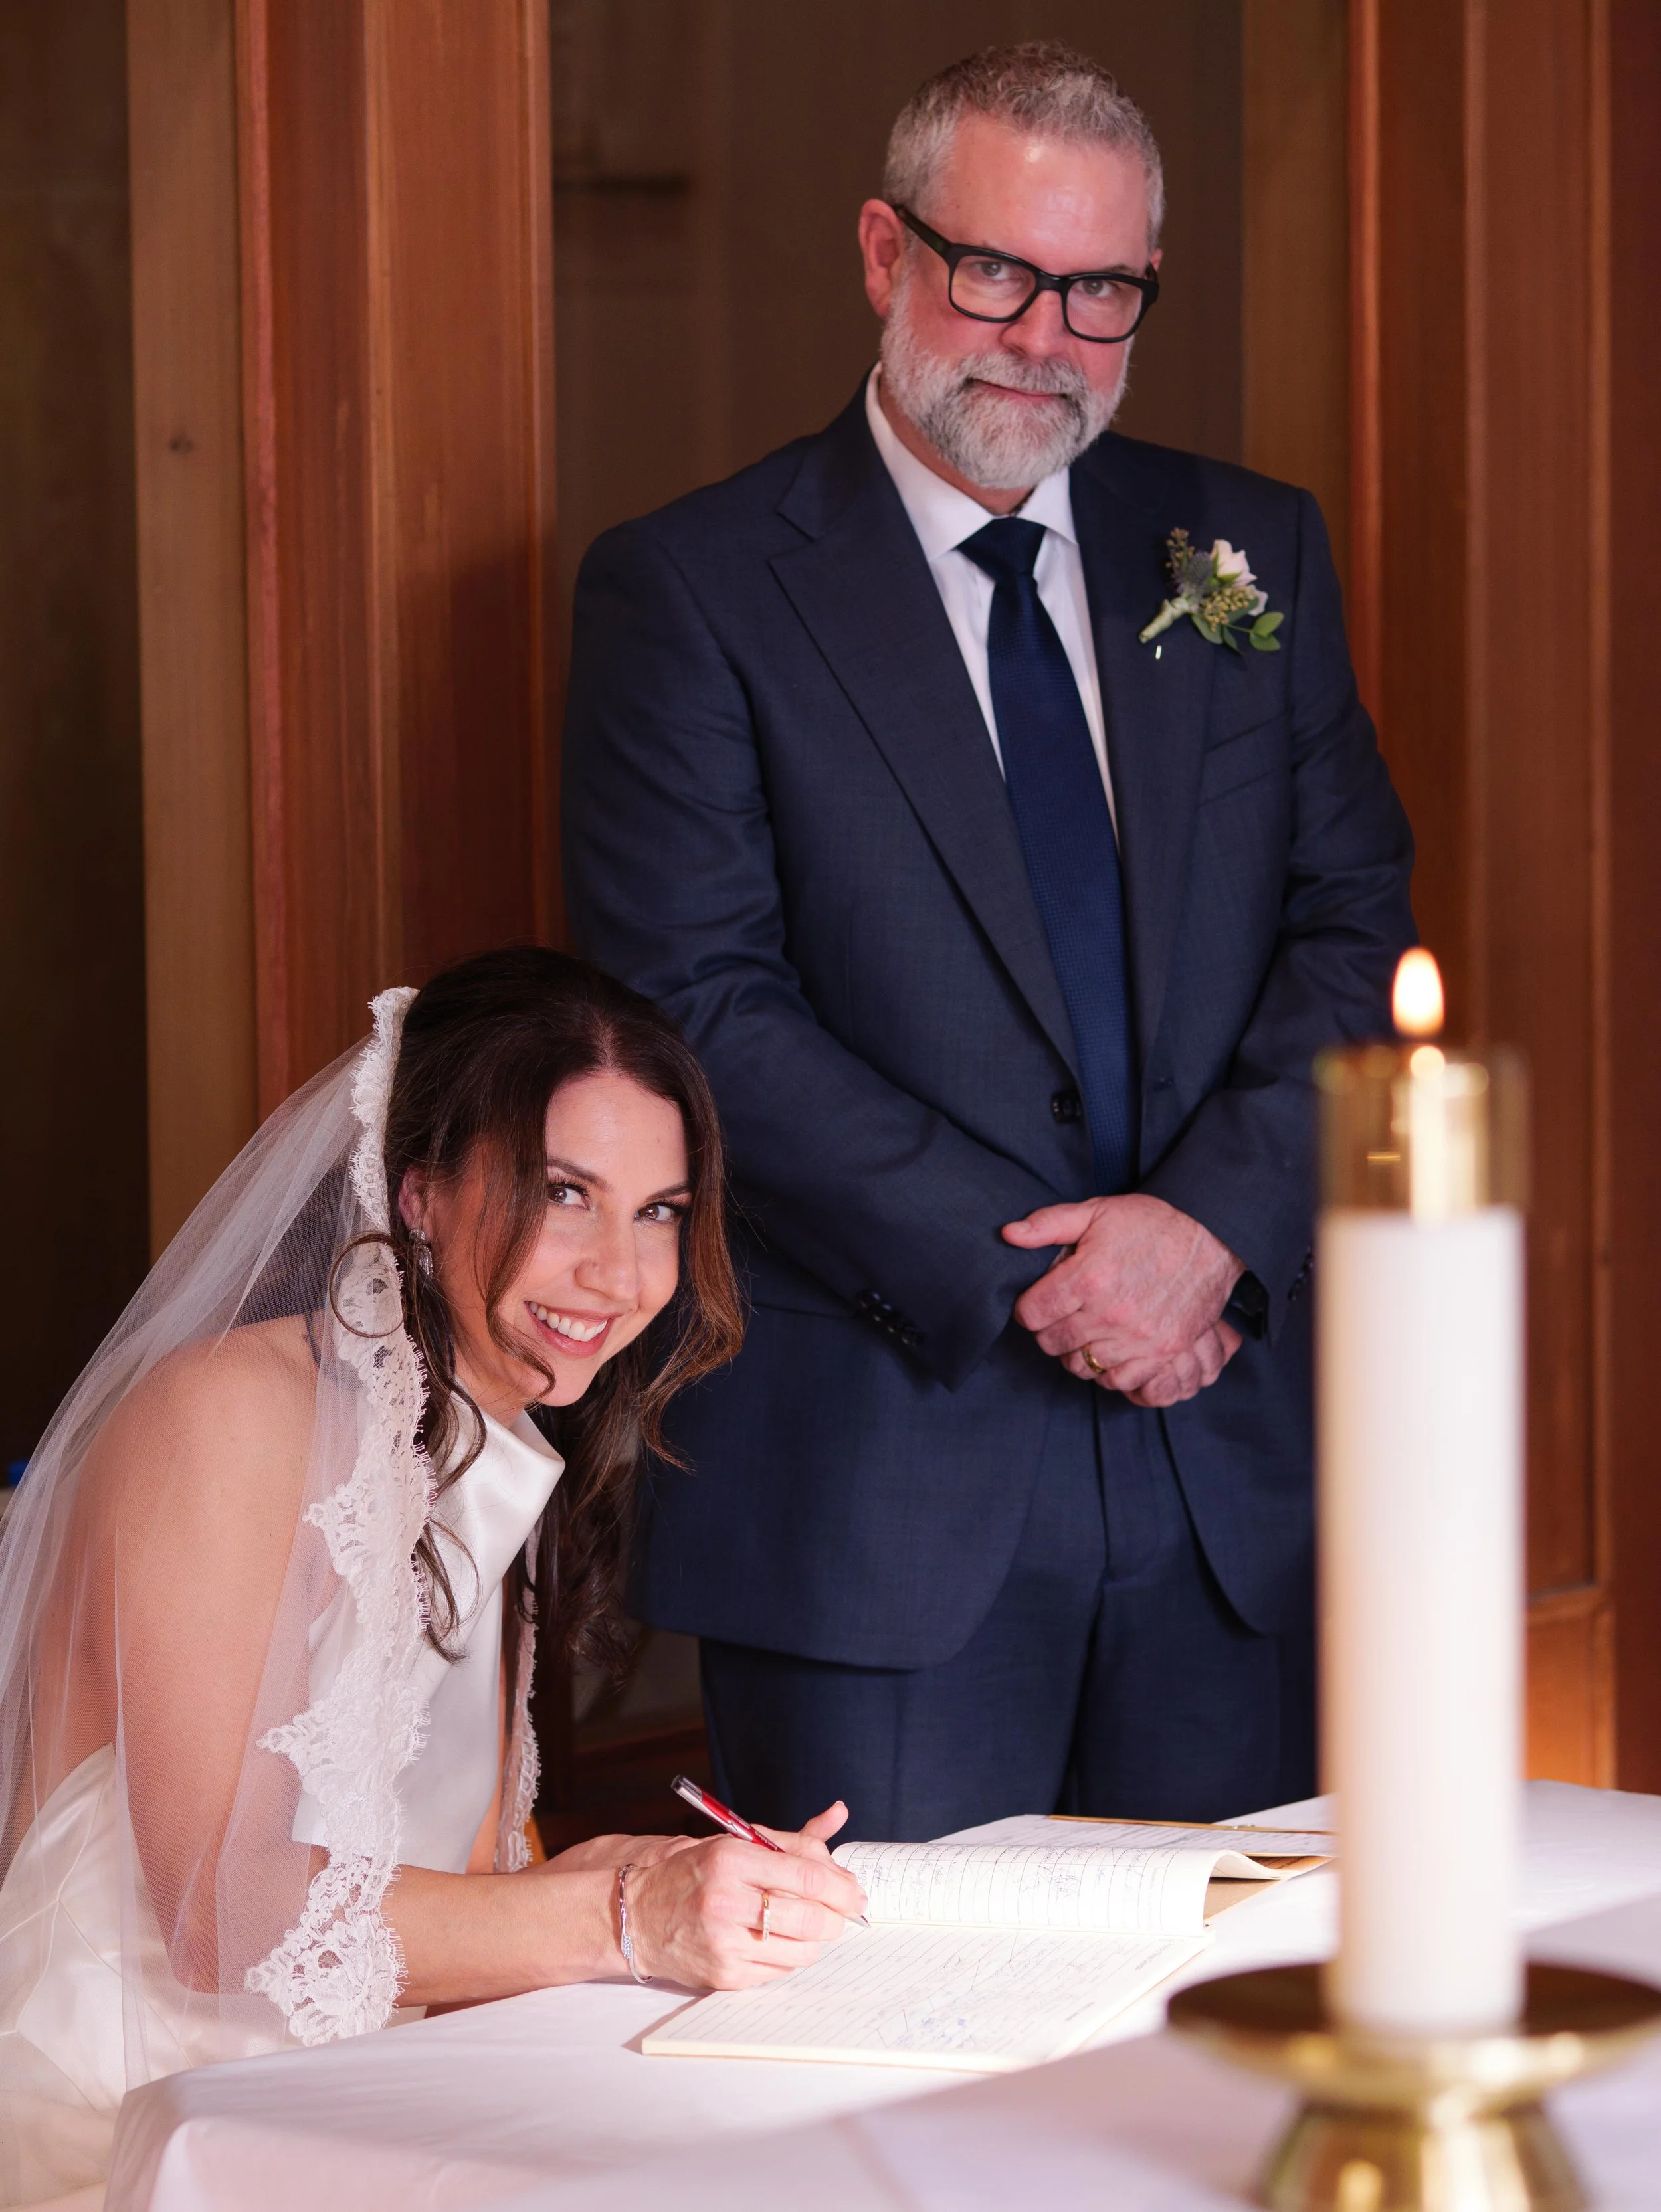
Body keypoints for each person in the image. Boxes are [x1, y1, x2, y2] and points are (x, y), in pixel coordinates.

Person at [561, 45, 1415, 1840]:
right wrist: (1049, 1270)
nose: (1045, 335)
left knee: (1214, 2065)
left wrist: (1204, 1239)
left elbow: (1353, 927)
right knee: (895, 2077)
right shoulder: (693, 588)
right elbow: (694, 1003)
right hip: (881, 1479)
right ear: (884, 254)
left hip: (1229, 1463)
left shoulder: (1245, 549)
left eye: (1102, 291)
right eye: (997, 272)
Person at [0, 947, 863, 2204]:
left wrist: (657, 1874)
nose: (619, 1276)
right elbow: (219, 1914)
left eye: (659, 1211)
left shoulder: (483, 1457)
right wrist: (632, 1906)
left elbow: (451, 1895)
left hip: (368, 2093)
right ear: (420, 1190)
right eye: (565, 1192)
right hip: (140, 2116)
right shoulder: (224, 1413)